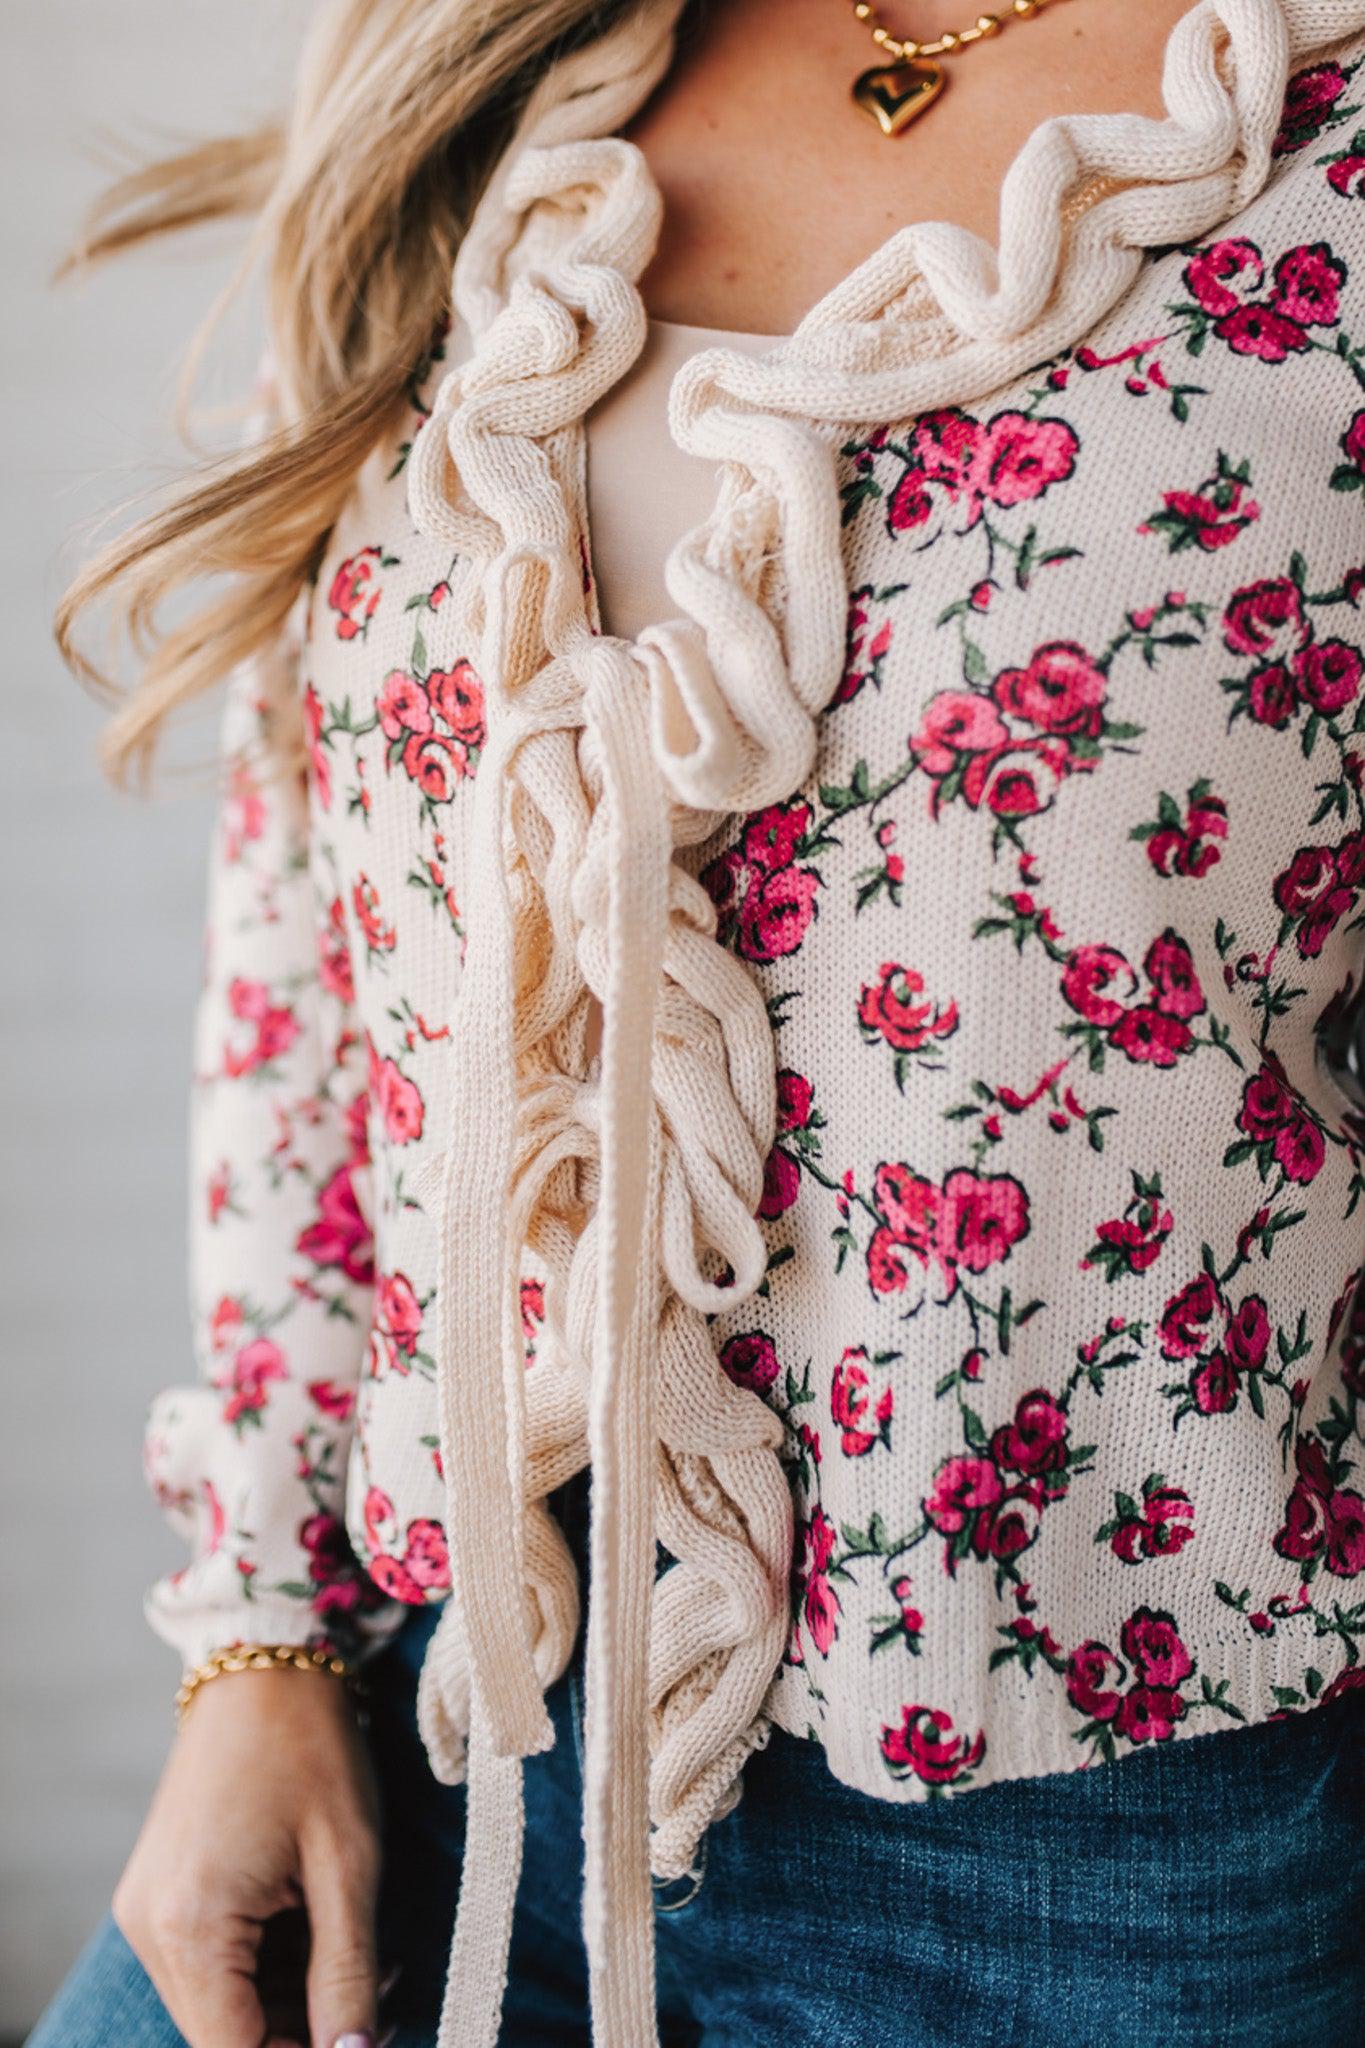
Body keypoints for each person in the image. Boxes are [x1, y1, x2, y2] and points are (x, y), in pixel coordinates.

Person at [31, 0, 1365, 2043]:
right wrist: (258, 1642)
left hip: (1098, 1852)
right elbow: (314, 930)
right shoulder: (503, 72)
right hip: (436, 1732)